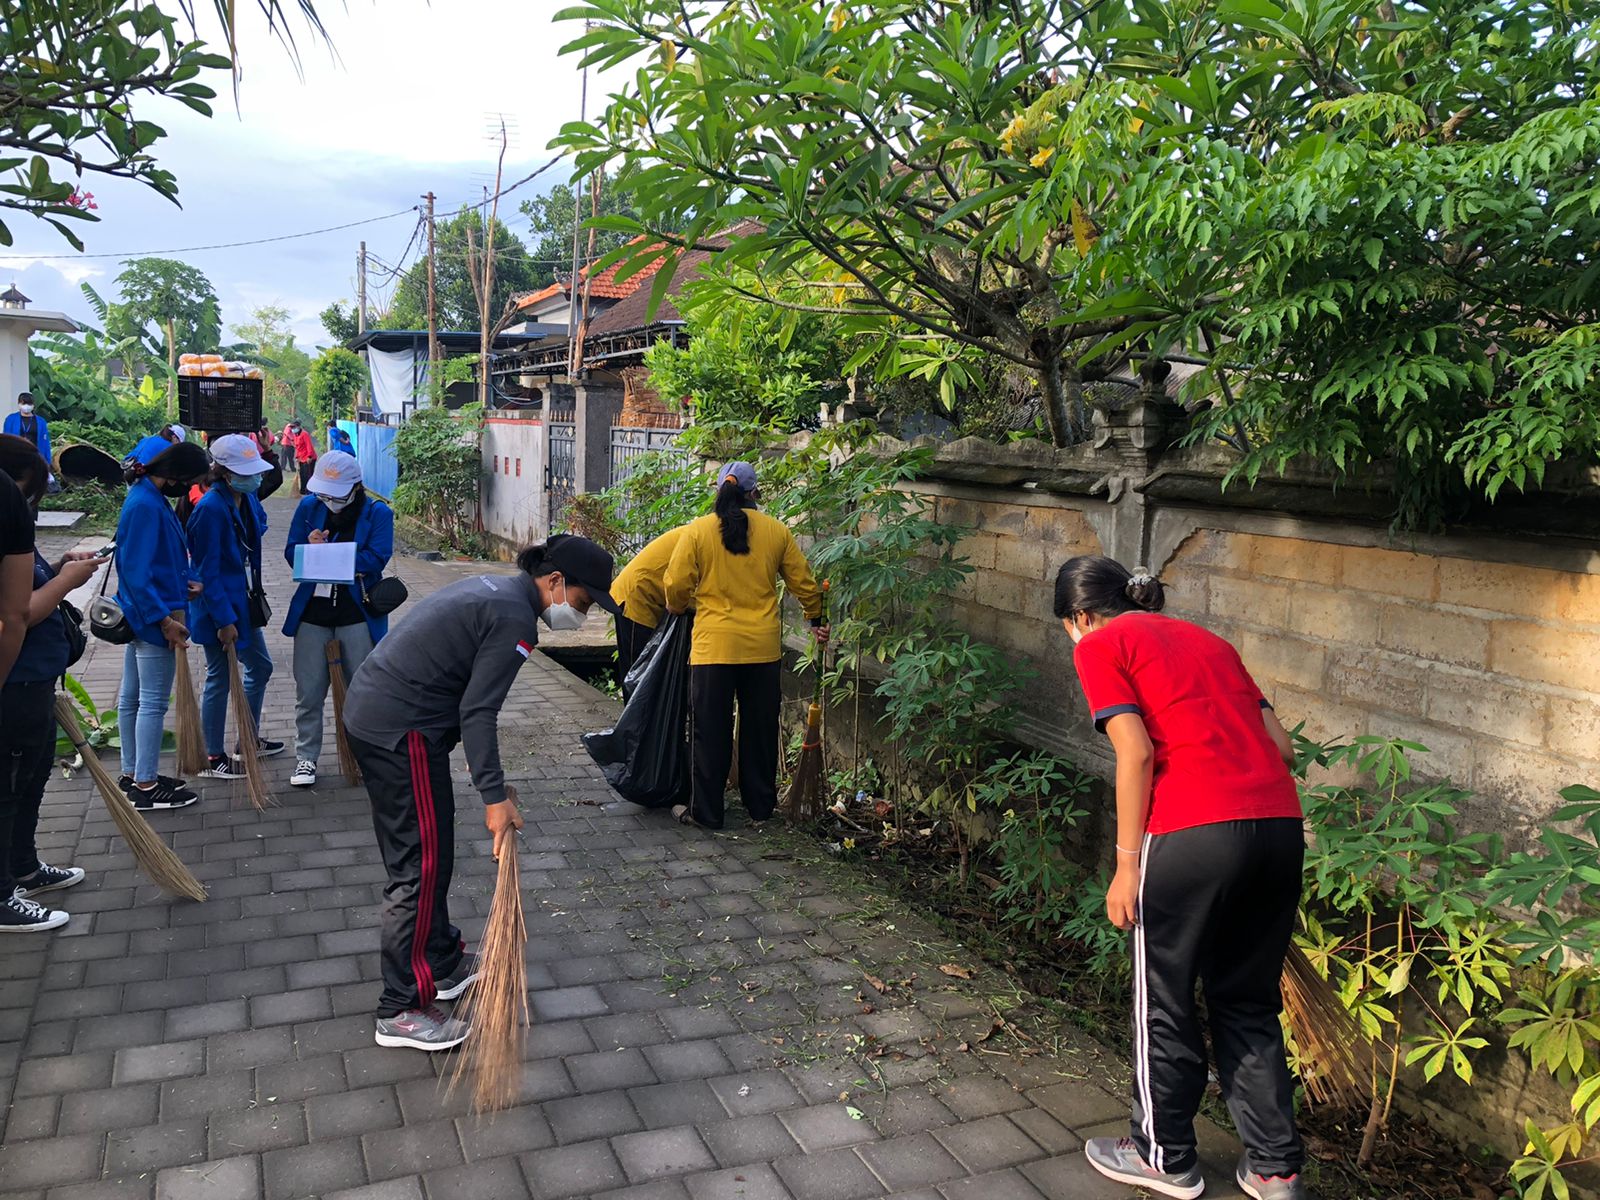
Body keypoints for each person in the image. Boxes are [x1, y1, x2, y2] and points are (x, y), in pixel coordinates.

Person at [1056, 556, 1306, 1200]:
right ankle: (1275, 1169)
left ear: (1080, 616)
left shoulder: (1101, 644)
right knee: (1248, 1001)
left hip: (1191, 834)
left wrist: (1125, 865)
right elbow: (1284, 751)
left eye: (1068, 626)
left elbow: (1136, 751)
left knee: (1163, 999)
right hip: (1278, 829)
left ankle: (1162, 1156)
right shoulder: (1212, 642)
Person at [342, 534, 621, 1050]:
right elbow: (479, 711)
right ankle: (400, 1008)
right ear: (555, 582)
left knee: (430, 856)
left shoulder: (498, 592)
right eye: (584, 603)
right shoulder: (514, 619)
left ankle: (443, 961)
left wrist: (486, 776)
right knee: (419, 868)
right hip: (399, 732)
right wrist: (494, 799)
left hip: (387, 718)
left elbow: (468, 698)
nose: (583, 616)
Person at [663, 462, 826, 830]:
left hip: (712, 649)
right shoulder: (776, 531)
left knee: (710, 732)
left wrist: (678, 605)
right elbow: (804, 583)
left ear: (719, 490)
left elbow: (675, 583)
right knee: (760, 730)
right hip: (761, 651)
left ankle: (707, 812)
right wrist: (816, 618)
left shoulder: (698, 531)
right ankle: (760, 809)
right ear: (755, 494)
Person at [0, 435, 101, 931]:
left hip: (35, 679)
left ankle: (24, 867)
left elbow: (26, 589)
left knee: (31, 780)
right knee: (8, 787)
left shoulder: (14, 529)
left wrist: (60, 568)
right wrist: (67, 583)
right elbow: (18, 613)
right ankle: (2, 895)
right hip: (13, 683)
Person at [282, 452, 394, 788]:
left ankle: (363, 754)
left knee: (360, 689)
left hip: (356, 612)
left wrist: (329, 555)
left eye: (336, 493)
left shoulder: (378, 513)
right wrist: (309, 547)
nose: (329, 500)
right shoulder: (308, 508)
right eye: (324, 493)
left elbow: (376, 558)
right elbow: (291, 553)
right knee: (309, 689)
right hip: (313, 613)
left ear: (356, 487)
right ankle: (306, 757)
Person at [113, 436, 211, 809]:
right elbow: (136, 573)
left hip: (146, 614)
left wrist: (181, 581)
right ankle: (147, 785)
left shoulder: (147, 499)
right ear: (171, 473)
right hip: (152, 620)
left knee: (132, 699)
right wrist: (165, 620)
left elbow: (153, 561)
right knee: (151, 703)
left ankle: (133, 772)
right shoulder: (145, 505)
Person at [188, 434, 283, 778]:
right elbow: (206, 572)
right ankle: (213, 756)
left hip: (242, 601)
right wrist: (224, 620)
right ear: (225, 473)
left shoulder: (245, 496)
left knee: (259, 668)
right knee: (219, 676)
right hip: (219, 607)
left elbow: (258, 527)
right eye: (247, 472)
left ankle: (248, 739)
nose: (255, 477)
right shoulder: (210, 509)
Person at [609, 525, 688, 692]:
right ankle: (635, 717)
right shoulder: (703, 538)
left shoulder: (703, 532)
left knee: (648, 673)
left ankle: (644, 716)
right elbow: (678, 587)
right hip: (636, 596)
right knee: (637, 672)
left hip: (649, 596)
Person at [4, 394, 51, 471]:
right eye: (23, 403)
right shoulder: (11, 419)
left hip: (35, 456)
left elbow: (45, 443)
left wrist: (47, 461)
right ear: (19, 404)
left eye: (29, 404)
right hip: (16, 456)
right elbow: (6, 439)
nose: (26, 406)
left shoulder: (41, 421)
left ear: (33, 405)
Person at [292, 423, 318, 493]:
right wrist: (297, 457)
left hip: (309, 458)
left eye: (294, 427)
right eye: (292, 427)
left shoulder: (304, 434)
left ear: (299, 427)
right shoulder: (295, 435)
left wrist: (309, 456)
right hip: (301, 457)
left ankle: (309, 490)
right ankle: (302, 489)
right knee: (302, 474)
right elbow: (298, 447)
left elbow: (308, 445)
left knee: (307, 474)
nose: (293, 429)